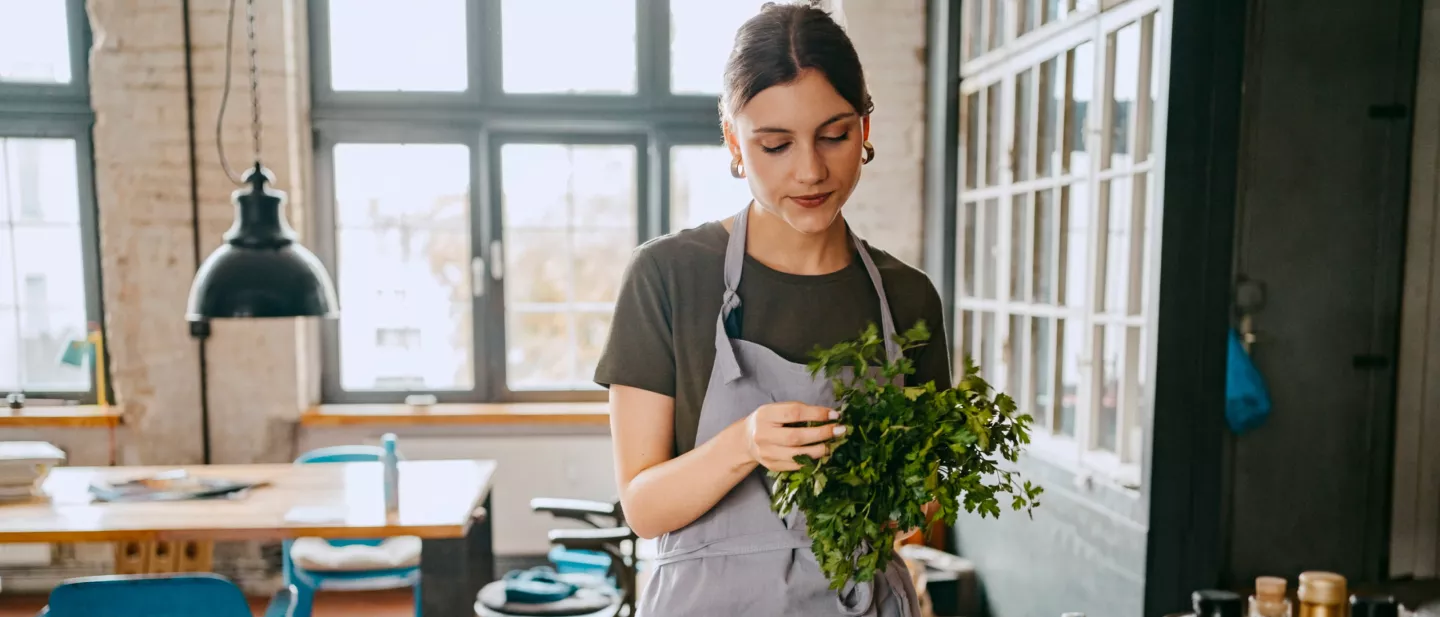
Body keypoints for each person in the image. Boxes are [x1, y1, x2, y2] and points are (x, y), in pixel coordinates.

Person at [593, 3, 951, 615]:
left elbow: (918, 507)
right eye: (776, 144)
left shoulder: (907, 297)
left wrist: (903, 494)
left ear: (865, 128)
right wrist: (746, 444)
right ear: (734, 140)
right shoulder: (669, 276)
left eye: (834, 135)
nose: (810, 170)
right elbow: (644, 508)